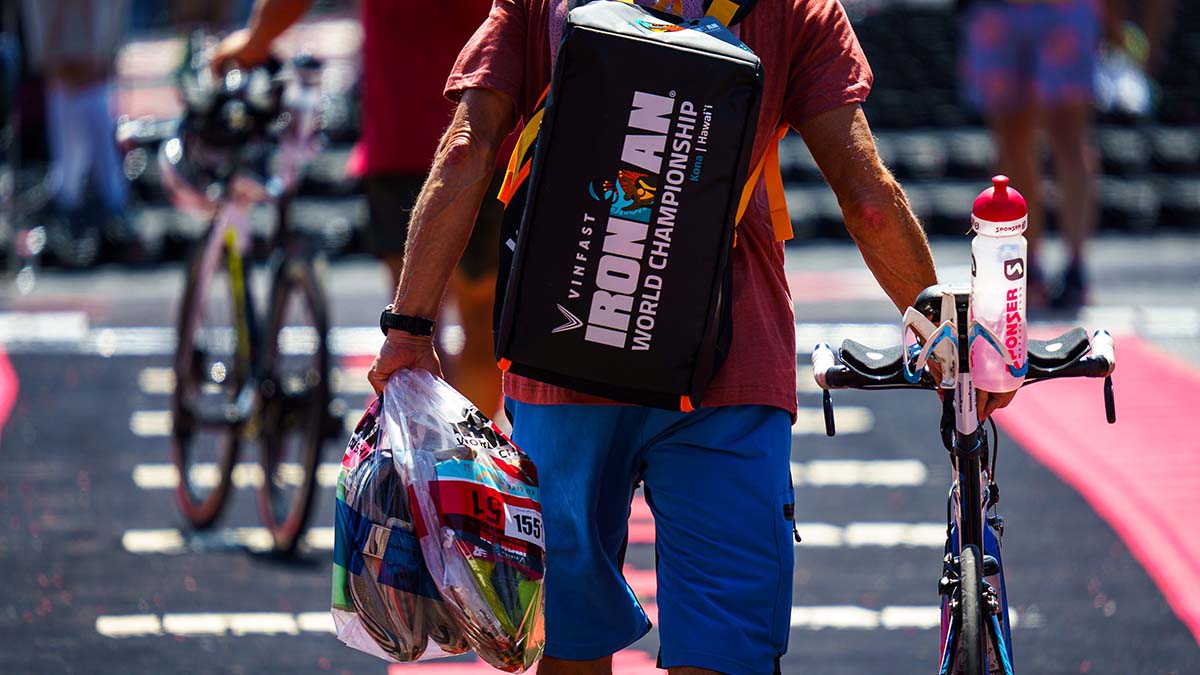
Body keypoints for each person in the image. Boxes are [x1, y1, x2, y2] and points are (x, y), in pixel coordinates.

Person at [367, 1, 1018, 674]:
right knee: (722, 648)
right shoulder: (795, 10)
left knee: (569, 643)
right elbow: (869, 201)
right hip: (729, 364)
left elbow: (467, 150)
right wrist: (944, 334)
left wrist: (411, 327)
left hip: (563, 357)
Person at [213, 0, 505, 414]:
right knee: (480, 318)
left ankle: (435, 461)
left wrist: (254, 41)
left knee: (413, 319)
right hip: (486, 130)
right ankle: (459, 458)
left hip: (404, 134)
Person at [959, 0, 1105, 309]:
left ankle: (1076, 266)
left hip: (1063, 8)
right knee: (1012, 139)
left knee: (1069, 135)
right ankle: (1027, 268)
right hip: (1000, 10)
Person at [20, 0, 134, 267]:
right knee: (67, 149)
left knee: (101, 145)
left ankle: (112, 206)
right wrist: (47, 56)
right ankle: (68, 203)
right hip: (61, 62)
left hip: (93, 62)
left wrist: (107, 52)